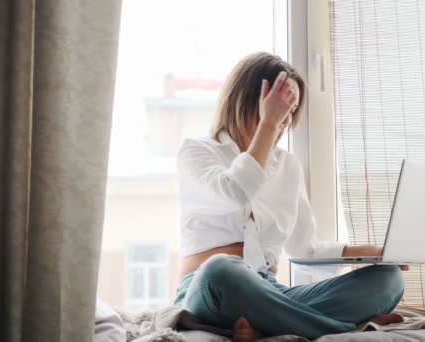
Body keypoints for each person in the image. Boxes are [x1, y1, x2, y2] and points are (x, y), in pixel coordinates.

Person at [174, 52, 407, 342]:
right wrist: (267, 124)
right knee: (222, 268)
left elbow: (305, 249)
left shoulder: (288, 166)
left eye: (291, 109)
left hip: (269, 292)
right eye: (279, 106)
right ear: (246, 97)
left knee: (388, 280)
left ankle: (270, 326)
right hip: (209, 287)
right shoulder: (197, 151)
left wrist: (370, 253)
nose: (284, 119)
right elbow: (236, 191)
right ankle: (347, 327)